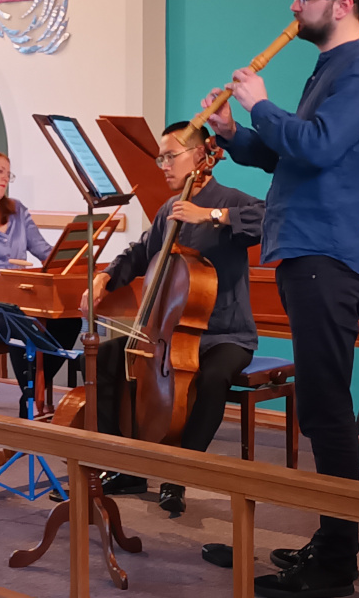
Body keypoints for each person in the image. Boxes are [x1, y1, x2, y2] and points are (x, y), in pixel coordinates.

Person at [200, 0, 359, 598]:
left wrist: (260, 103)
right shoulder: (329, 66)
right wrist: (232, 129)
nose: (293, 6)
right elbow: (288, 154)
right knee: (320, 403)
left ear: (342, 4)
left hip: (330, 252)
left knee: (324, 406)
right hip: (306, 249)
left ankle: (337, 564)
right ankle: (330, 539)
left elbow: (319, 145)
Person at [80, 121, 264, 514]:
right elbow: (140, 251)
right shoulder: (169, 210)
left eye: (170, 156)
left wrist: (212, 215)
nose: (163, 165)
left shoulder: (229, 199)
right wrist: (105, 276)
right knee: (105, 358)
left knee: (213, 378)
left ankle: (178, 474)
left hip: (226, 334)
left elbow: (270, 217)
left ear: (199, 155)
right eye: (160, 158)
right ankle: (125, 466)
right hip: (170, 334)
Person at [0, 150, 82, 419]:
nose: (5, 178)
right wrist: (11, 281)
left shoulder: (17, 210)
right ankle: (33, 403)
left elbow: (44, 251)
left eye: (8, 174)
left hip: (17, 303)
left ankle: (31, 395)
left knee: (70, 321)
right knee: (19, 323)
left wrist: (73, 259)